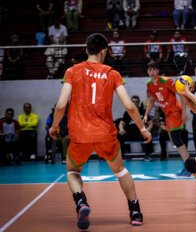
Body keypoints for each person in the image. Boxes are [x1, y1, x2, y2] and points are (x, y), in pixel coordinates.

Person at [49, 33, 152, 229]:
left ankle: (81, 202)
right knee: (121, 171)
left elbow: (61, 104)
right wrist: (142, 128)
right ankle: (135, 211)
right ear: (104, 51)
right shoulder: (112, 73)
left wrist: (54, 126)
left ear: (86, 49)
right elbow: (130, 106)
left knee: (72, 171)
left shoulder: (72, 71)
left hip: (80, 135)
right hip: (105, 134)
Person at [144, 62, 191, 176]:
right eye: (150, 70)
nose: (152, 72)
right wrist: (146, 115)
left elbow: (181, 94)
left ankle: (189, 167)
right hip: (167, 114)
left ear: (158, 71)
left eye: (154, 69)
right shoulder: (149, 84)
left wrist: (184, 112)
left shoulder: (166, 81)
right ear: (147, 71)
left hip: (175, 111)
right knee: (174, 140)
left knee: (176, 139)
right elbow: (151, 101)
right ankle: (190, 165)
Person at [118, 95, 153, 161]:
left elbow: (150, 122)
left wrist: (148, 128)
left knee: (149, 135)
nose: (134, 103)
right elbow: (122, 122)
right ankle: (121, 156)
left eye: (136, 102)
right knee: (119, 135)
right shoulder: (127, 112)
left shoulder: (143, 111)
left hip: (141, 134)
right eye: (133, 102)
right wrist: (121, 128)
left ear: (138, 102)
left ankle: (147, 155)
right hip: (131, 134)